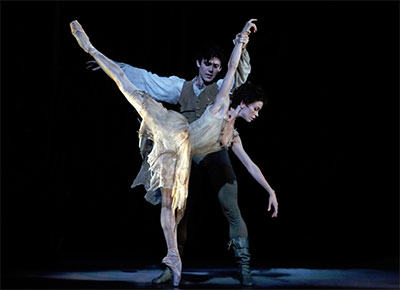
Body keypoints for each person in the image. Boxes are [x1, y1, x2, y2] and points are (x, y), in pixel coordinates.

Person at [70, 19, 277, 286]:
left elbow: (239, 69)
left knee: (220, 205)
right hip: (180, 144)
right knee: (176, 207)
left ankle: (238, 267)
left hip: (207, 152)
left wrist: (270, 190)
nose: (213, 70)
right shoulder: (187, 88)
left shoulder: (228, 110)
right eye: (208, 64)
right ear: (199, 64)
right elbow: (147, 79)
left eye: (217, 66)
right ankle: (171, 262)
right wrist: (113, 66)